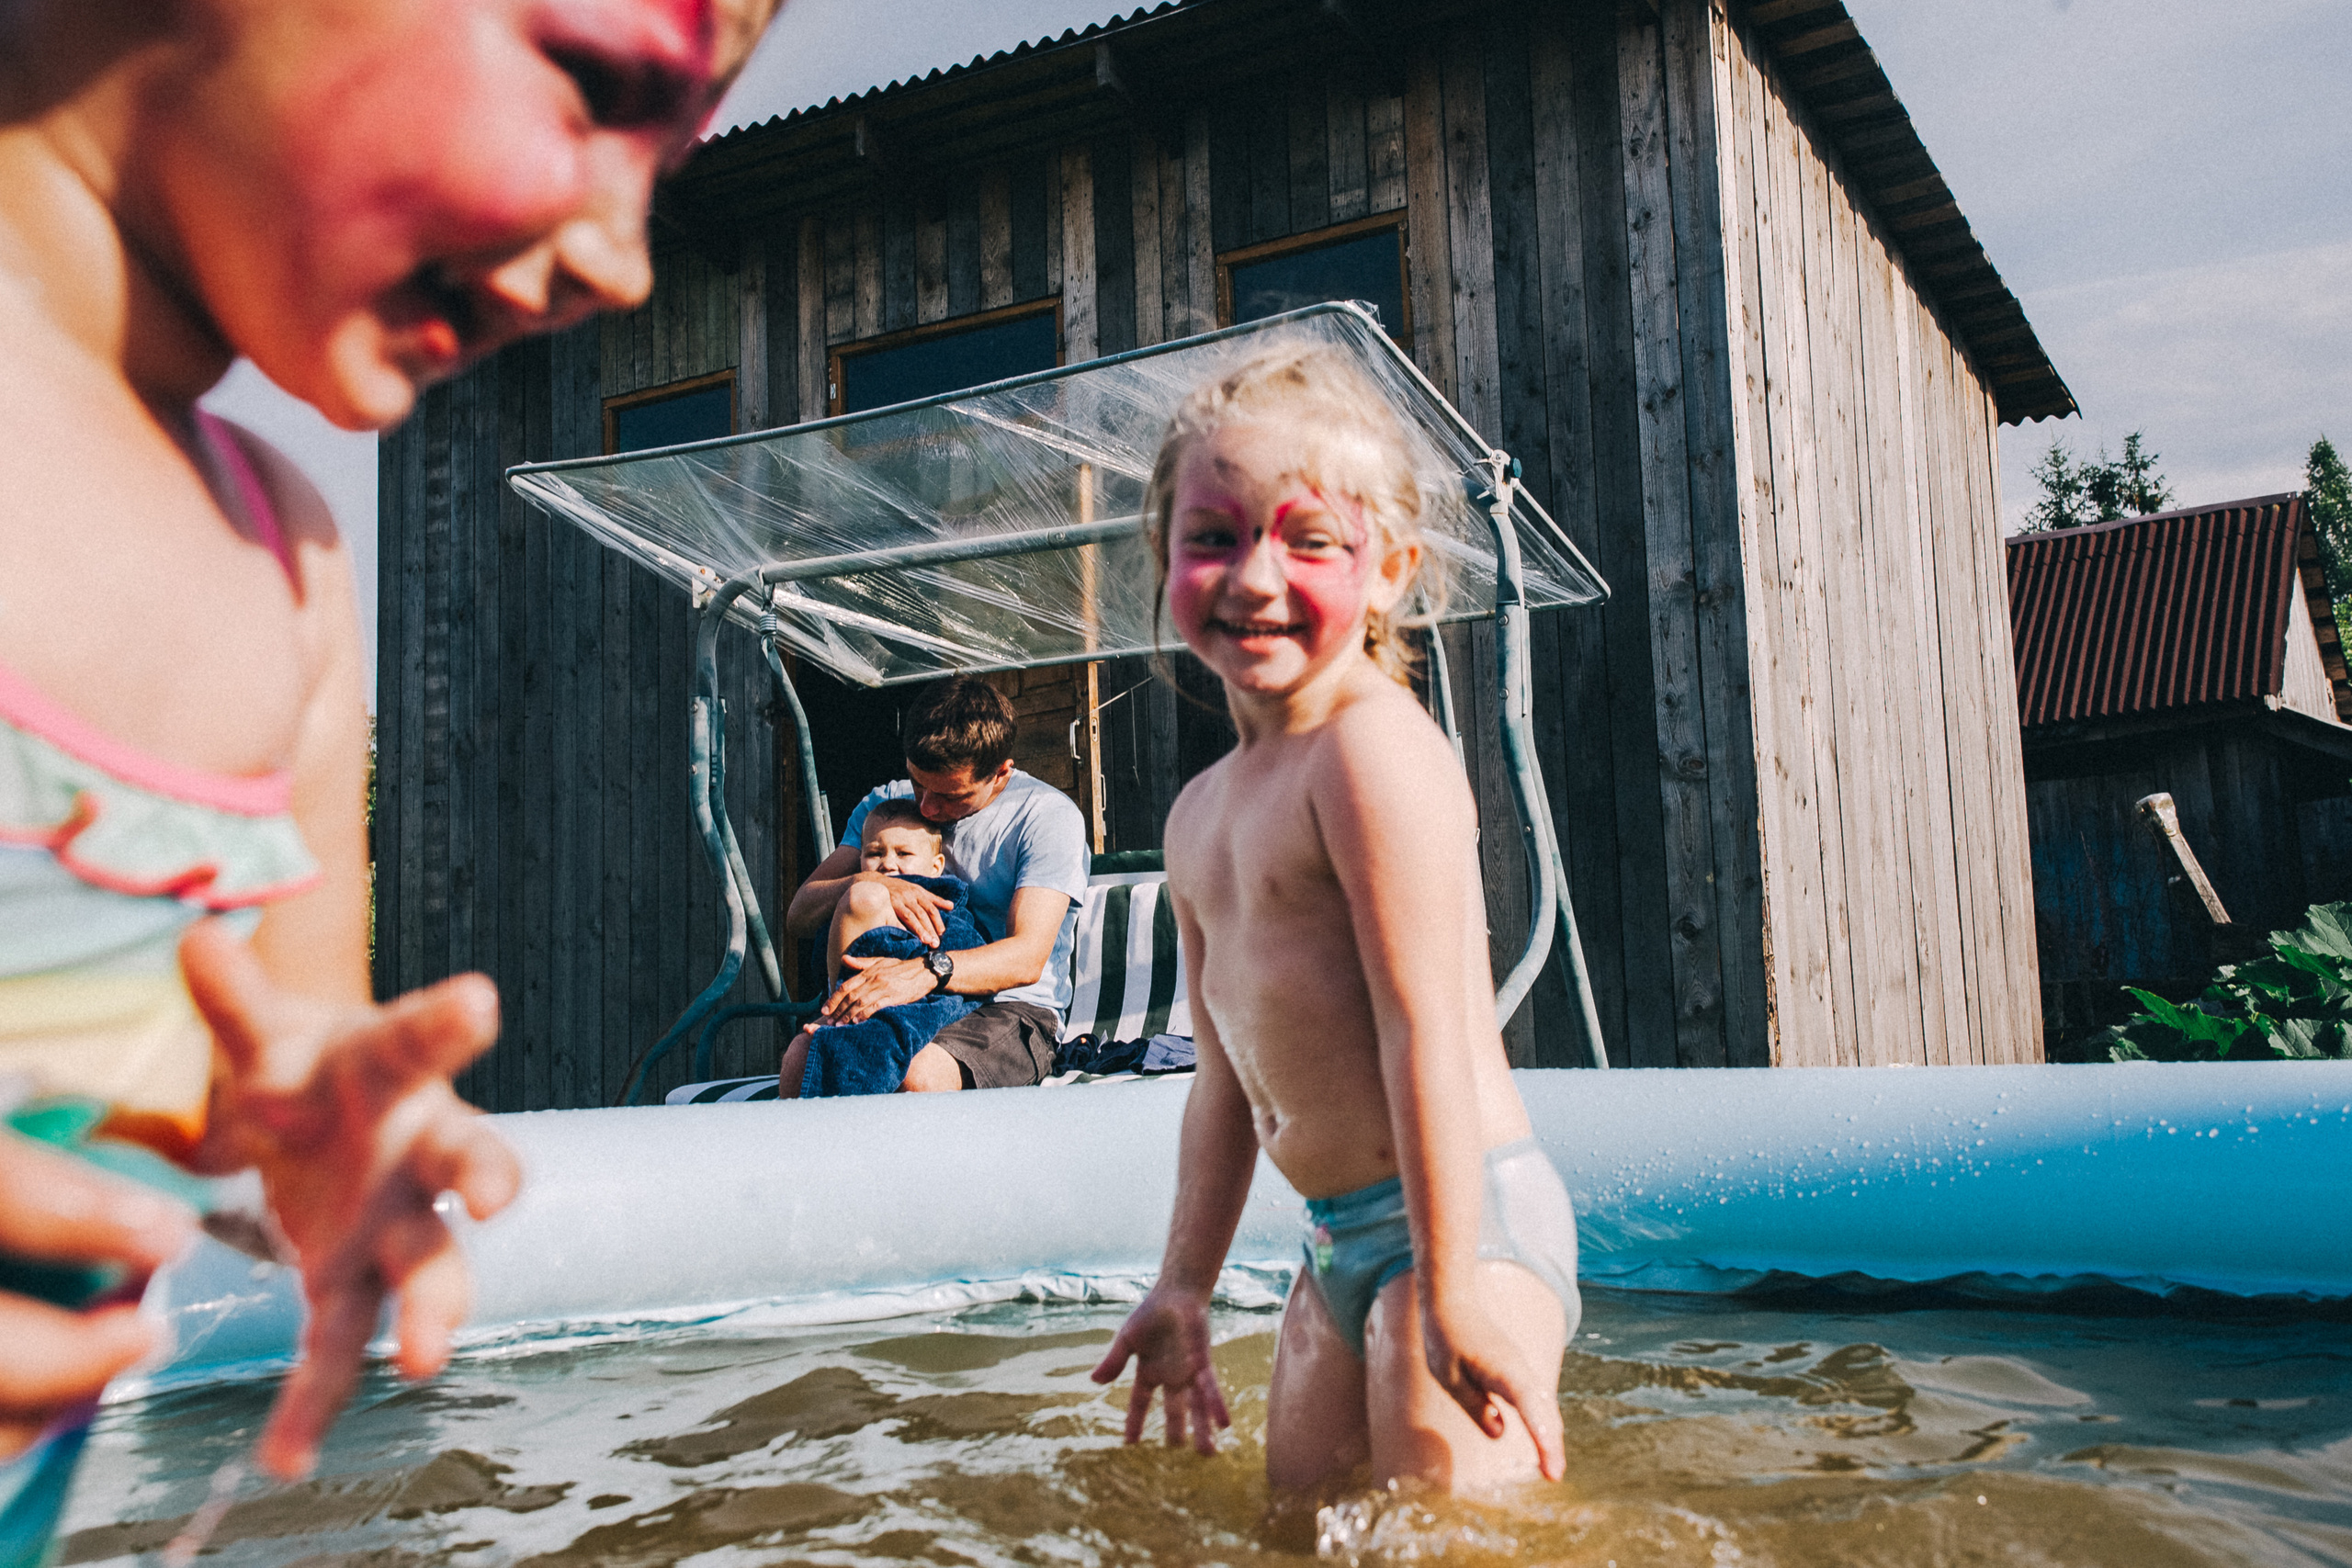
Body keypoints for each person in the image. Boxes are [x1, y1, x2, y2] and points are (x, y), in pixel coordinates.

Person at [0, 0, 782, 1521]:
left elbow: (286, 1037)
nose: (622, 256)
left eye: (664, 159)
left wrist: (313, 1133)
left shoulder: (280, 568)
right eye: (596, 82)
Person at [1089, 342, 1580, 1494]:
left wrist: (1451, 1283)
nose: (1254, 579)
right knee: (1301, 1525)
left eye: (1309, 542)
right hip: (1336, 1237)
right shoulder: (1201, 812)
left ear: (1393, 569)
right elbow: (1223, 1079)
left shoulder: (1367, 751)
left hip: (1457, 1220)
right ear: (1162, 556)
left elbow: (1425, 1034)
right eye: (1212, 537)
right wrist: (1182, 1286)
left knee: (1446, 1531)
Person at [785, 678, 1089, 1092]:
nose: (926, 806)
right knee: (800, 1060)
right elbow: (800, 915)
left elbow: (1027, 958)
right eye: (917, 783)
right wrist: (875, 879)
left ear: (1001, 773)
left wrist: (925, 972)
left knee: (917, 1077)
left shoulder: (1045, 816)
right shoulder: (885, 805)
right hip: (904, 989)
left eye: (949, 795)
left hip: (1011, 1008)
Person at [777, 799, 986, 1098]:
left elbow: (966, 953)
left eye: (904, 853)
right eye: (874, 853)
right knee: (799, 1052)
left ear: (936, 866)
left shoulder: (943, 909)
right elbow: (806, 924)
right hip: (850, 1001)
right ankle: (843, 1010)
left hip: (915, 1005)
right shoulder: (858, 893)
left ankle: (847, 1020)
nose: (887, 863)